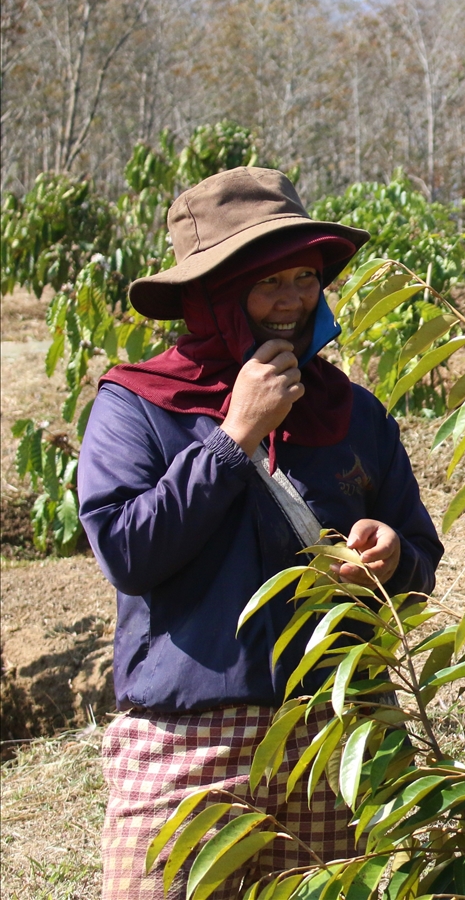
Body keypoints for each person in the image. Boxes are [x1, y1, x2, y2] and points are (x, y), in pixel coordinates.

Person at [78, 167, 443, 899]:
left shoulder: (355, 413)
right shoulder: (137, 405)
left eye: (305, 278)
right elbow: (125, 551)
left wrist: (393, 554)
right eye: (267, 281)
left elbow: (421, 555)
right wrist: (232, 437)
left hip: (341, 728)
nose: (293, 301)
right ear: (211, 294)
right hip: (189, 740)